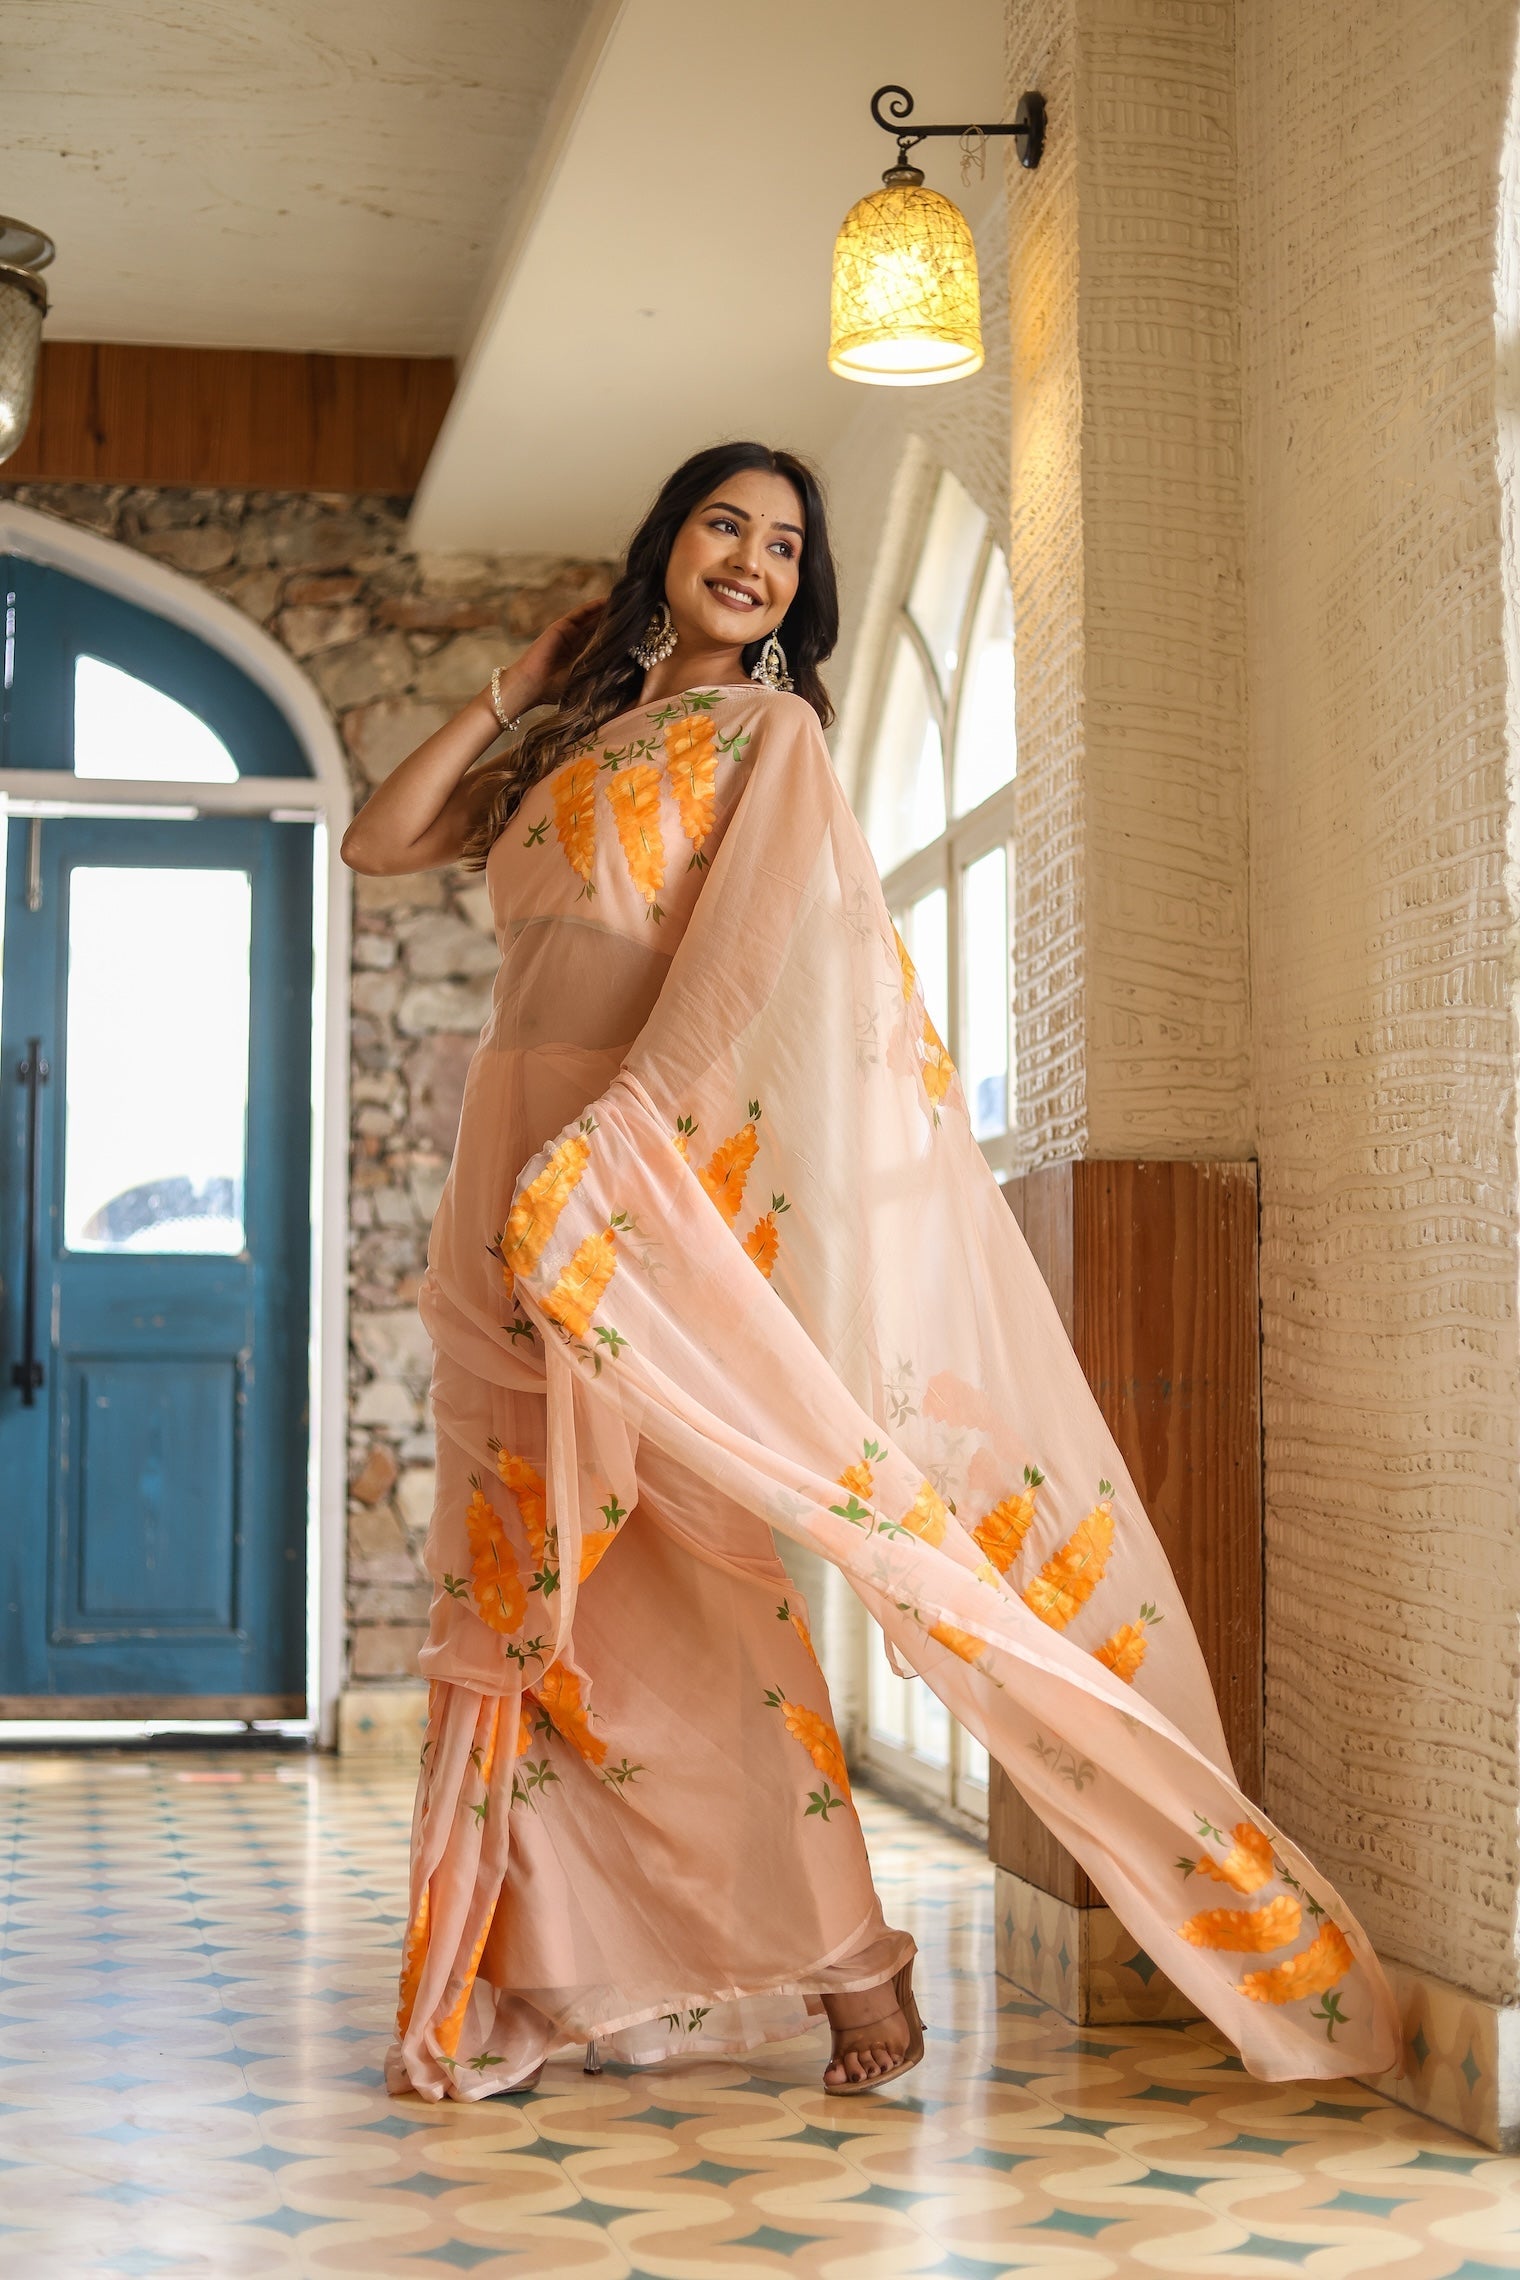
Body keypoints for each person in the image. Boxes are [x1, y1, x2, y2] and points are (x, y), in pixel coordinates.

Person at [343, 442, 1399, 2107]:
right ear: (666, 544)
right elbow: (377, 841)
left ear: (798, 593)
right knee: (529, 1596)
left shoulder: (772, 738)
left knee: (705, 1589)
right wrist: (513, 682)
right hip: (504, 1200)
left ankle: (853, 1961)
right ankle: (526, 1965)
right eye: (724, 525)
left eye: (784, 544)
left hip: (633, 1206)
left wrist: (616, 1154)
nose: (752, 561)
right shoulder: (573, 744)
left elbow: (746, 958)